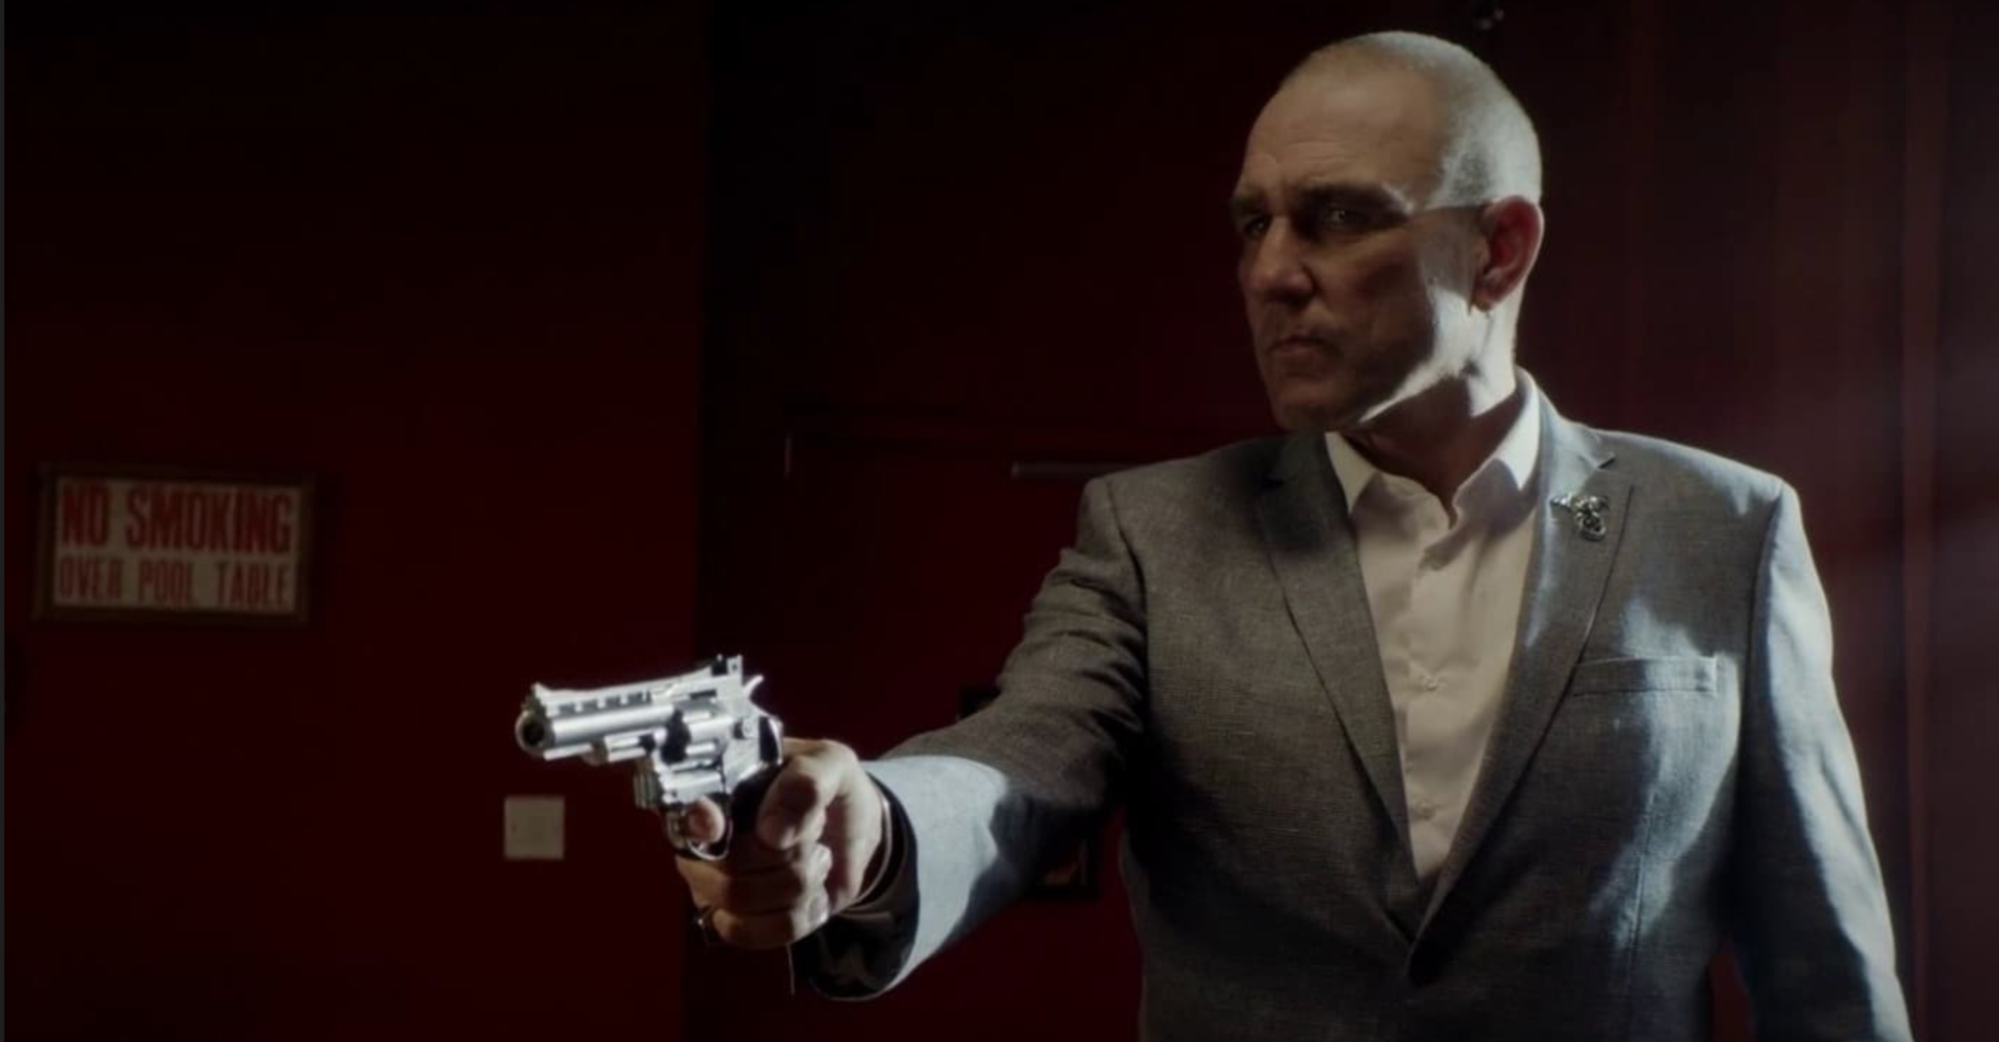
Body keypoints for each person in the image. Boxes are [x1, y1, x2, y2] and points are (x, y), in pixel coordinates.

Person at [673, 29, 1912, 1041]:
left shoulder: (1722, 528)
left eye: (1335, 217)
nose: (1270, 272)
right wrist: (876, 823)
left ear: (1498, 250)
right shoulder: (1154, 532)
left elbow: (1828, 970)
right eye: (1252, 221)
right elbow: (1017, 764)